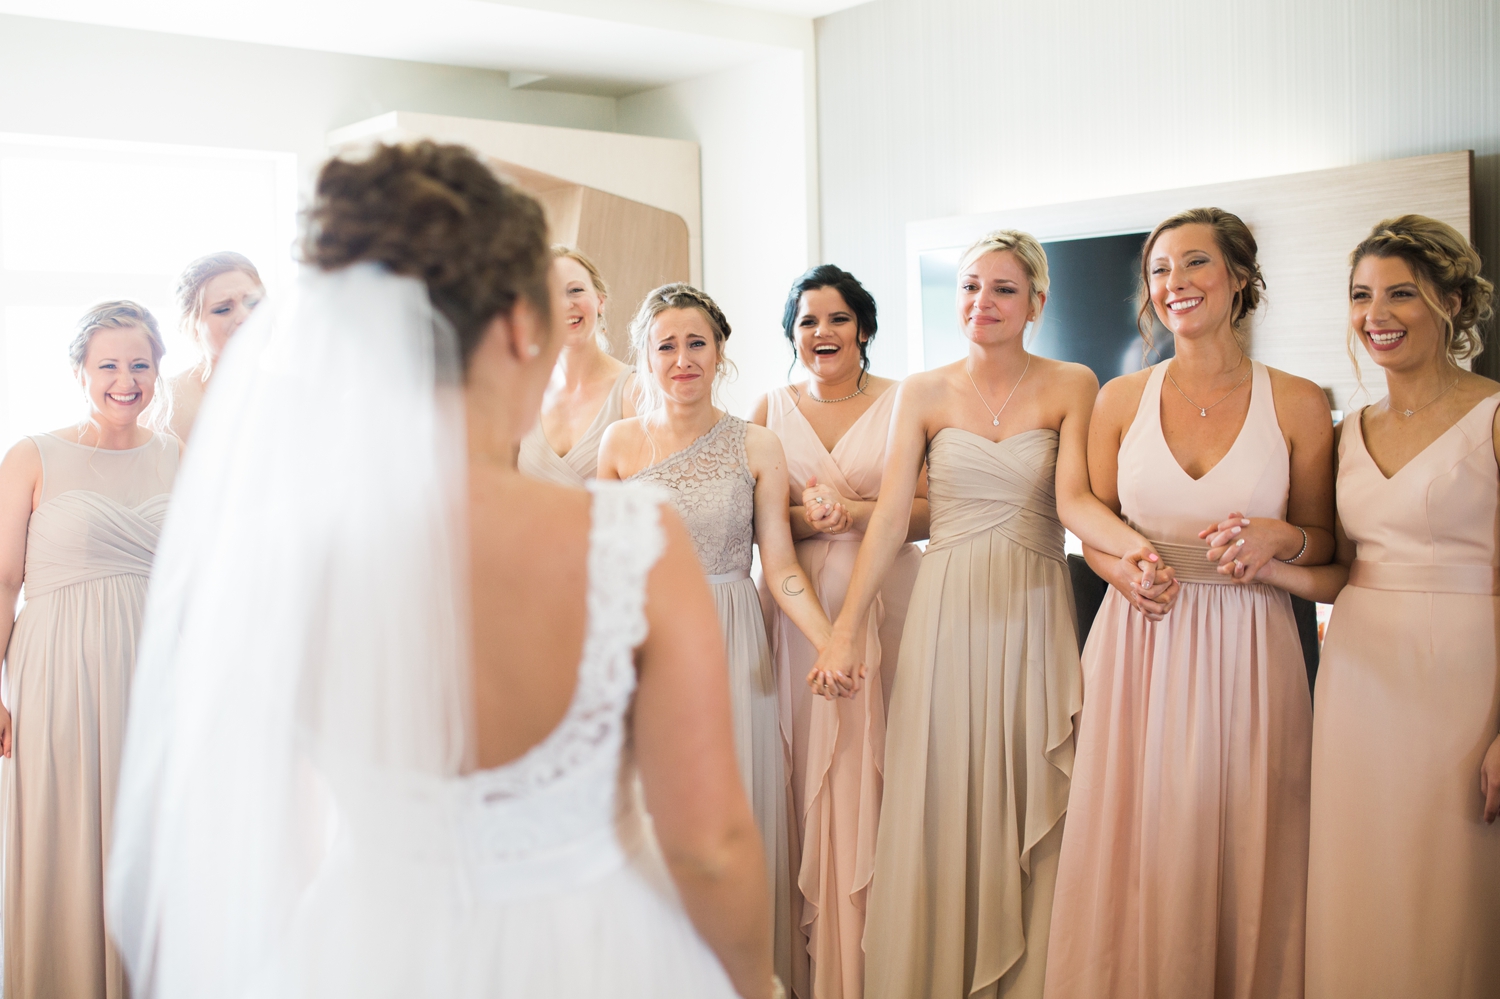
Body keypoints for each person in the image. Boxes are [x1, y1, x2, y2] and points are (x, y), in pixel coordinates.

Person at [106, 142, 777, 999]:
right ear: (517, 326)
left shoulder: (287, 553)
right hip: (588, 955)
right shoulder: (634, 543)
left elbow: (253, 833)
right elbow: (708, 843)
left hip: (365, 952)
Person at [811, 230, 1176, 999]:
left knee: (1033, 792)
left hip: (1033, 606)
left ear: (1037, 302)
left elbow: (1077, 502)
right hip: (946, 613)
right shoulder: (923, 390)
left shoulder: (1074, 383)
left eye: (1004, 289)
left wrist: (1134, 547)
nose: (982, 303)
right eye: (971, 286)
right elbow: (888, 521)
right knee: (942, 792)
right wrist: (844, 629)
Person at [1045, 208, 1335, 999]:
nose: (1176, 284)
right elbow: (1090, 527)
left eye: (1196, 263)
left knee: (1244, 834)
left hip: (1253, 642)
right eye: (1161, 270)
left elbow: (1328, 544)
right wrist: (1124, 569)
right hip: (1142, 637)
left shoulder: (1302, 403)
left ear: (1240, 277)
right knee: (1139, 839)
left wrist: (1284, 538)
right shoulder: (1118, 399)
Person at [1256, 215, 1500, 998]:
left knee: (1452, 884)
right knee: (1360, 870)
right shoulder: (1348, 429)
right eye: (1362, 295)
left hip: (1466, 681)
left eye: (1402, 293)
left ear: (1453, 300)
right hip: (1359, 676)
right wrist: (1268, 565)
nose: (1375, 314)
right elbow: (1347, 572)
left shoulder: (1495, 415)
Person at [598, 283, 838, 991]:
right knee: (655, 824)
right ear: (645, 356)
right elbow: (605, 569)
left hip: (734, 643)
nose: (682, 358)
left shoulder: (757, 443)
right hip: (645, 651)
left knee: (734, 823)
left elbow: (783, 565)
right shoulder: (617, 444)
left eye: (695, 342)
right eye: (666, 344)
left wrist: (831, 639)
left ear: (720, 351)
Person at [749, 264, 927, 999]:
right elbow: (753, 520)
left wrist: (854, 514)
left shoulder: (903, 402)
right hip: (796, 613)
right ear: (793, 336)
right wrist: (805, 516)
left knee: (884, 759)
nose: (822, 333)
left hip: (889, 593)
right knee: (801, 767)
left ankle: (883, 952)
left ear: (865, 328)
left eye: (837, 319)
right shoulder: (768, 407)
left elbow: (930, 507)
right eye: (807, 322)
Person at [0, 301, 180, 999]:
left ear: (158, 371)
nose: (125, 379)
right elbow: (6, 577)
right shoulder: (32, 453)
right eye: (108, 364)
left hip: (151, 677)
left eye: (140, 364)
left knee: (145, 844)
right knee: (64, 838)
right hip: (56, 675)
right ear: (81, 370)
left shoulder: (176, 455)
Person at [518, 247, 638, 484]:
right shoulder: (521, 393)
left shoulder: (635, 391)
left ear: (600, 300)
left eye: (575, 290)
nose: (565, 305)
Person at [167, 251, 264, 441]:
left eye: (253, 303)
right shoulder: (172, 401)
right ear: (192, 326)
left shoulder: (293, 388)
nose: (245, 316)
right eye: (223, 309)